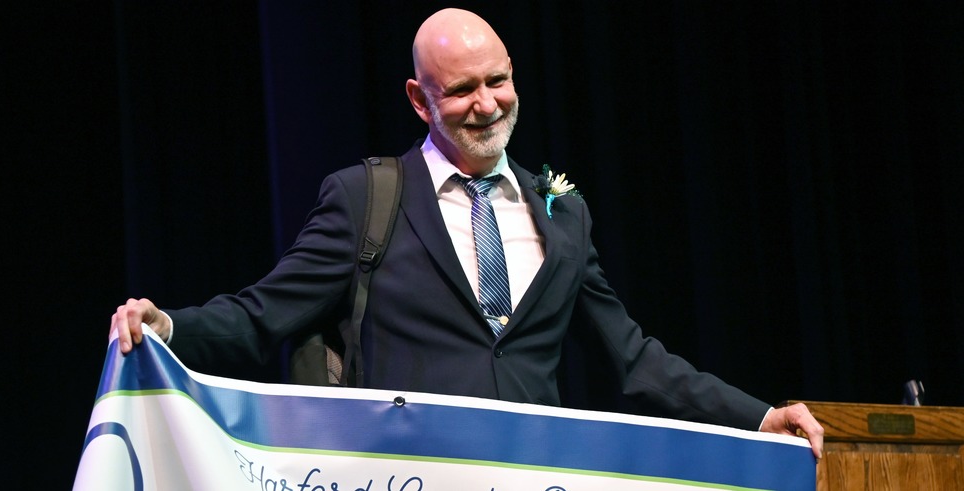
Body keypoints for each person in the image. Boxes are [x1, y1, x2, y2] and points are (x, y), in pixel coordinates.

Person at [111, 8, 824, 458]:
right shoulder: (367, 197)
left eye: (499, 80)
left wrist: (759, 416)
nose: (487, 105)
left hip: (536, 476)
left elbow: (633, 358)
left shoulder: (563, 211)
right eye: (461, 90)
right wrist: (168, 324)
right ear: (420, 99)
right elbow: (264, 315)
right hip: (407, 475)